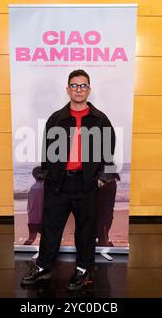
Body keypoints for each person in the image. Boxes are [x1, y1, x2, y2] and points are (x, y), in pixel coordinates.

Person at [21, 69, 116, 291]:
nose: (79, 89)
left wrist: (102, 178)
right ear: (68, 90)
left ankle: (83, 269)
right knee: (51, 227)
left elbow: (108, 152)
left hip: (86, 185)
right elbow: (47, 151)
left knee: (85, 230)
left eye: (83, 85)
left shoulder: (100, 119)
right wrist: (46, 175)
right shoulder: (56, 118)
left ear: (89, 90)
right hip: (58, 185)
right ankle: (44, 267)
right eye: (74, 85)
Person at [96, 173, 120, 246]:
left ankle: (103, 239)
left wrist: (103, 179)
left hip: (106, 182)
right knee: (105, 212)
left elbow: (109, 164)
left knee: (105, 212)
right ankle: (103, 238)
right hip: (106, 181)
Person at [23, 166, 45, 245]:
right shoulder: (43, 188)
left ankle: (23, 250)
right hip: (42, 219)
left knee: (31, 239)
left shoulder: (32, 187)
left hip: (32, 218)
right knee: (48, 238)